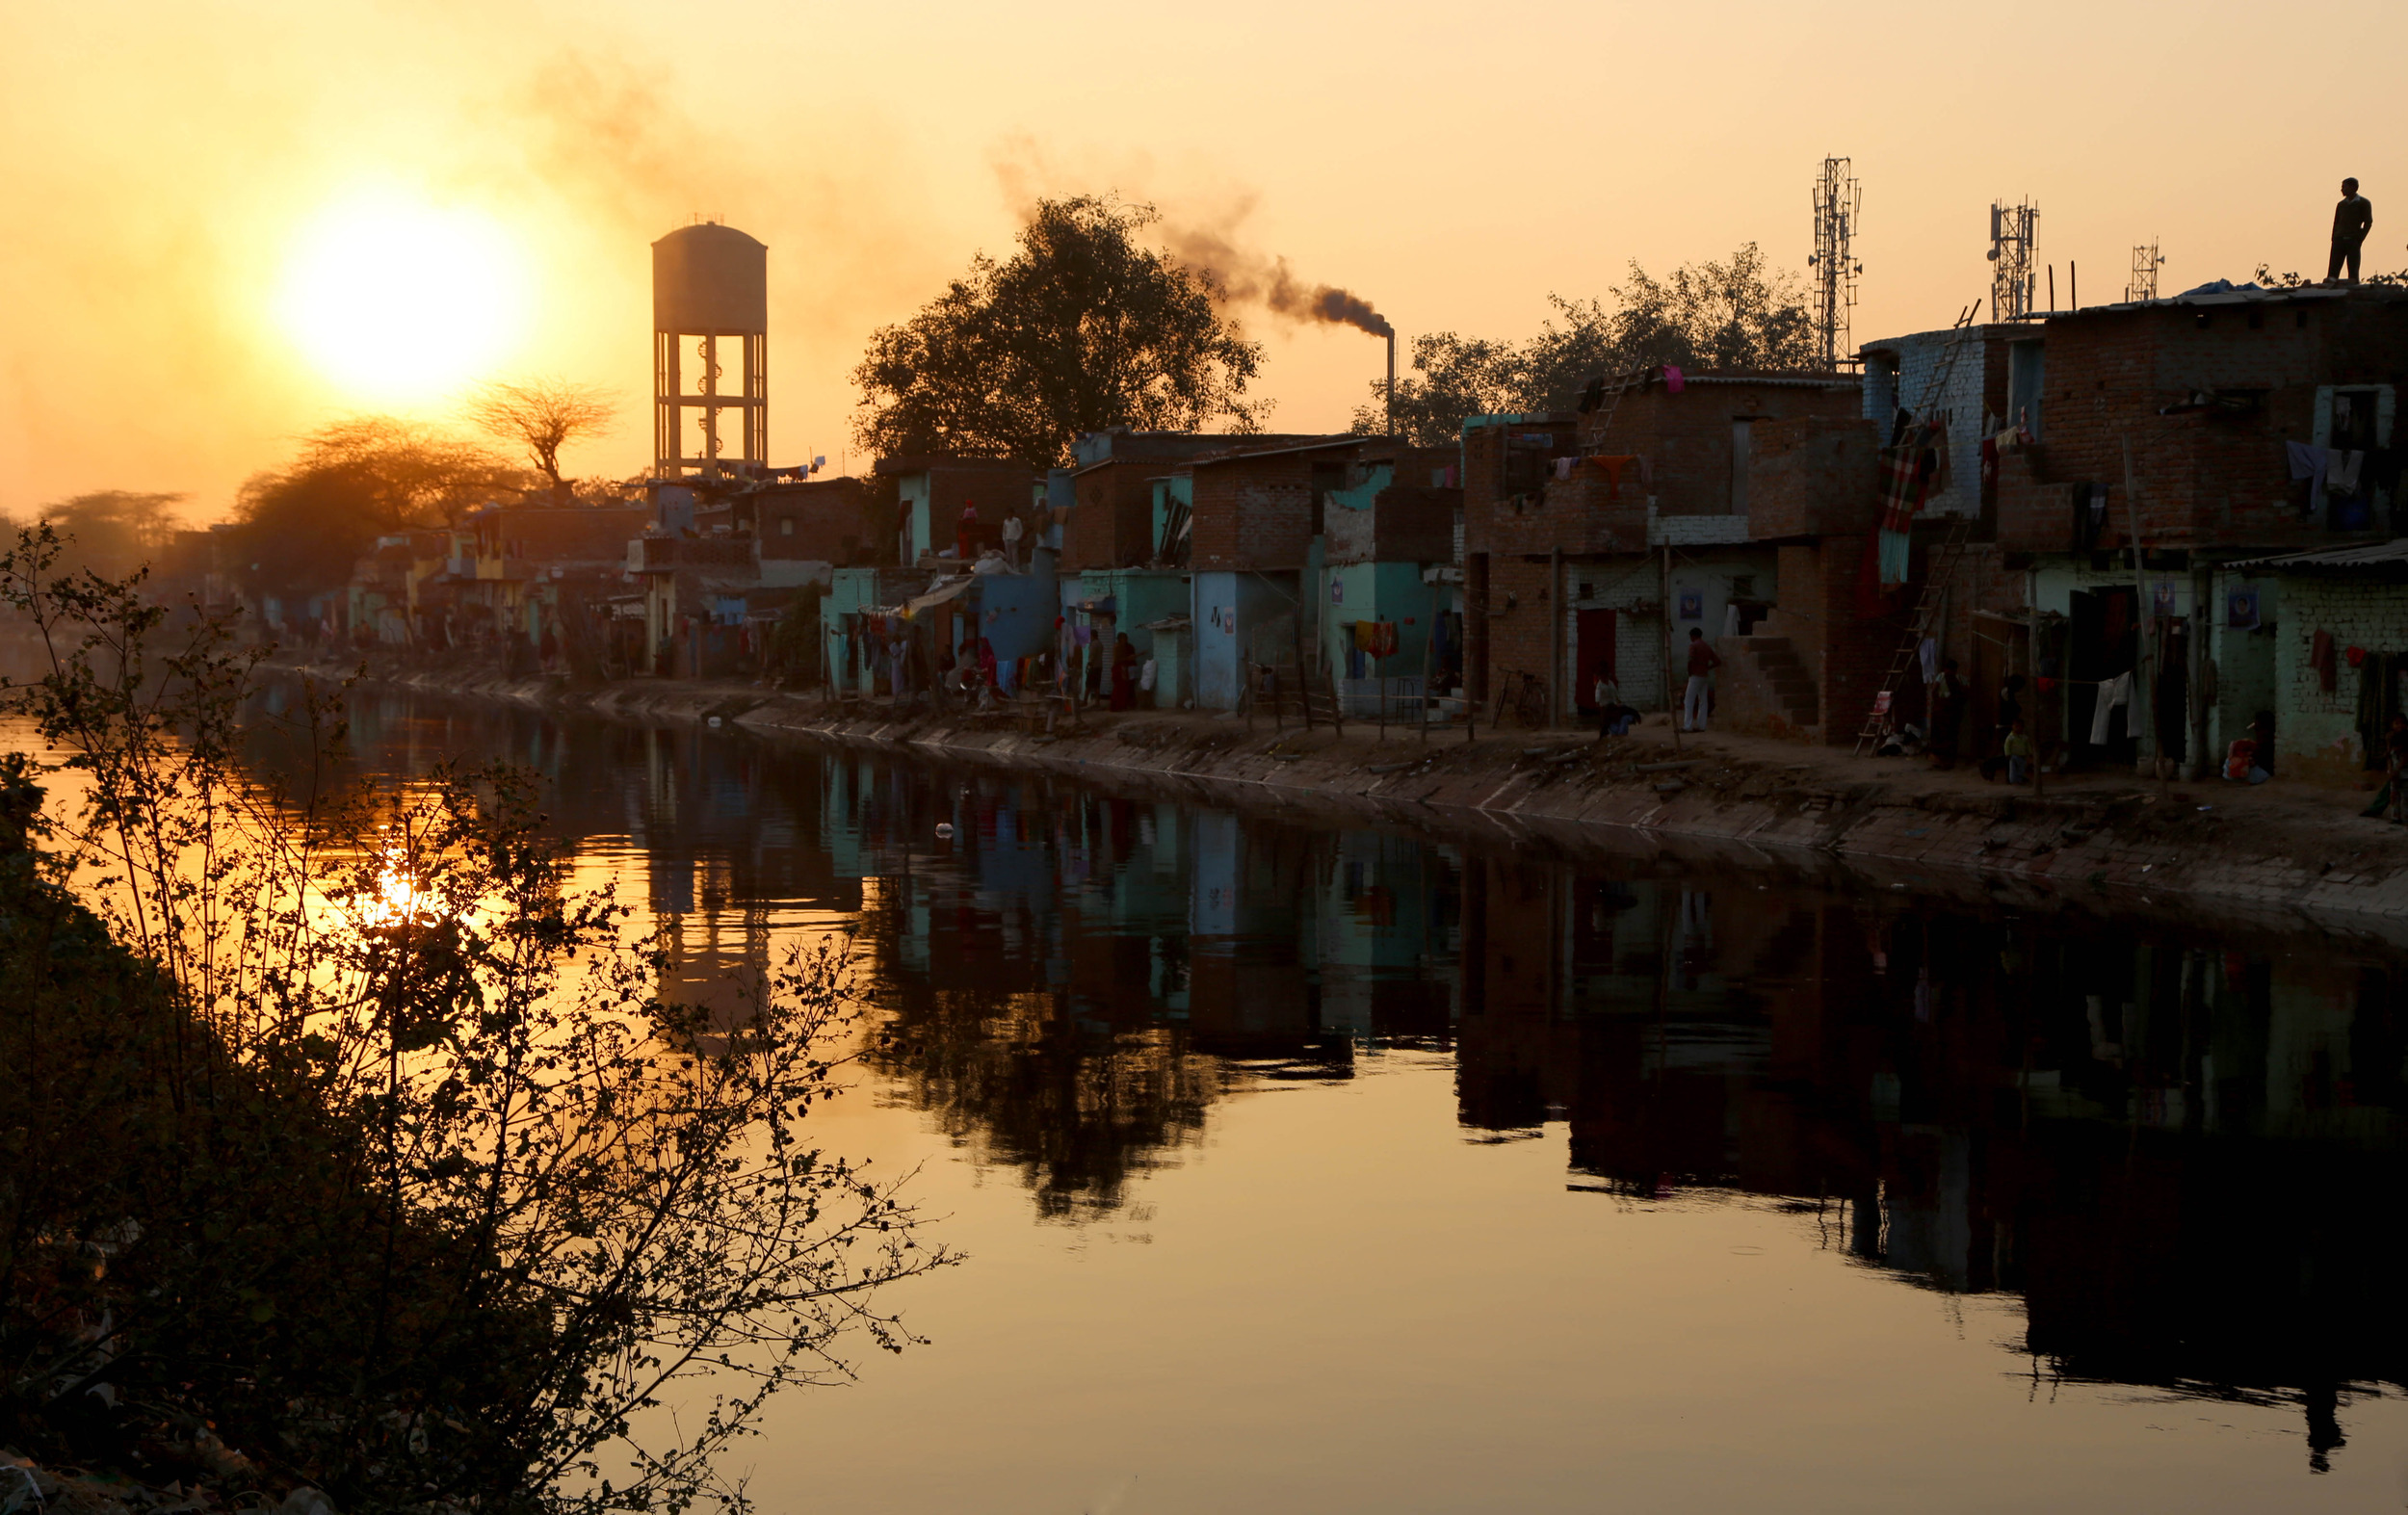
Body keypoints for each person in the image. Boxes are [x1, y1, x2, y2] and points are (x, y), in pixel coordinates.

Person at [2331, 178, 2373, 285]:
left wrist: (2360, 238)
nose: (2342, 190)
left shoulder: (2363, 203)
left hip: (2353, 240)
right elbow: (2336, 222)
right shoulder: (2341, 205)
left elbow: (2368, 222)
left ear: (2353, 188)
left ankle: (2353, 289)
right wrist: (2334, 238)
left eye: (2344, 187)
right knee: (2333, 269)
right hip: (2339, 240)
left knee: (2353, 269)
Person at [1926, 657, 1964, 770]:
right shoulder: (1955, 678)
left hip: (1941, 710)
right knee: (1949, 736)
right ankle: (1945, 761)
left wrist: (1936, 702)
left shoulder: (1941, 677)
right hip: (1949, 711)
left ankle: (1940, 760)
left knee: (1940, 736)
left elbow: (1933, 691)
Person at [1682, 628, 1719, 732]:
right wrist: (1707, 668)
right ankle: (1702, 726)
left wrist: (1690, 672)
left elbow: (1690, 660)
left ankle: (1687, 726)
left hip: (1695, 675)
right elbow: (1717, 661)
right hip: (1704, 675)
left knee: (1688, 700)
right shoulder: (1707, 647)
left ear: (1693, 636)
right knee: (1703, 701)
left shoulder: (1693, 646)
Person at [1594, 673, 1636, 739]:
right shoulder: (1599, 685)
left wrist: (1617, 699)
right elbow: (1597, 694)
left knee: (1614, 718)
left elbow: (1615, 691)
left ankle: (1615, 732)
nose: (1604, 679)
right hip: (1604, 704)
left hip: (1611, 703)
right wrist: (1597, 701)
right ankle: (1604, 734)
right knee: (1604, 720)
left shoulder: (1611, 683)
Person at [1110, 632, 1138, 711]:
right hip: (1119, 669)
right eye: (1124, 638)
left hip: (1123, 668)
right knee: (1119, 688)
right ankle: (1117, 706)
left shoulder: (1127, 647)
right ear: (1120, 639)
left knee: (1124, 688)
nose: (1126, 640)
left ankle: (1122, 705)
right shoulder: (1118, 647)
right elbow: (1117, 660)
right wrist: (1127, 658)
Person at [2002, 719, 2032, 785]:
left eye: (2019, 726)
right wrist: (2008, 753)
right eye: (2016, 726)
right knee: (2013, 769)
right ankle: (2013, 780)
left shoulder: (2024, 737)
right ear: (2013, 727)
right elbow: (2007, 746)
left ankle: (2019, 780)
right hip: (2013, 756)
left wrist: (2029, 753)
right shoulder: (2010, 737)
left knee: (2021, 769)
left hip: (2022, 756)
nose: (2017, 728)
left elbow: (2028, 746)